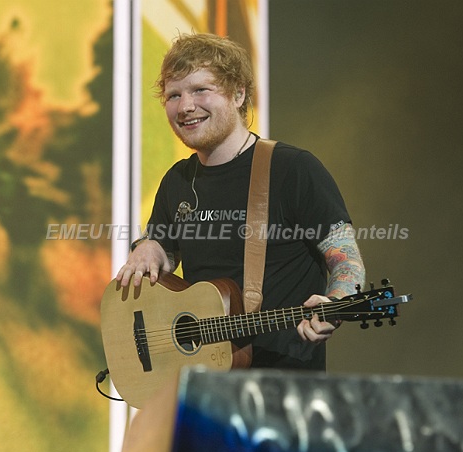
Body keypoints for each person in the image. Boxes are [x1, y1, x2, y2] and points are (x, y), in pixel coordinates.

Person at [115, 33, 365, 371]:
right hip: (205, 380)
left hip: (284, 384)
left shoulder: (292, 169)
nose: (185, 106)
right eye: (174, 95)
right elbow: (164, 252)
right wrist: (148, 247)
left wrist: (334, 304)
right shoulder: (177, 180)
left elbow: (347, 261)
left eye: (200, 90)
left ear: (238, 94)